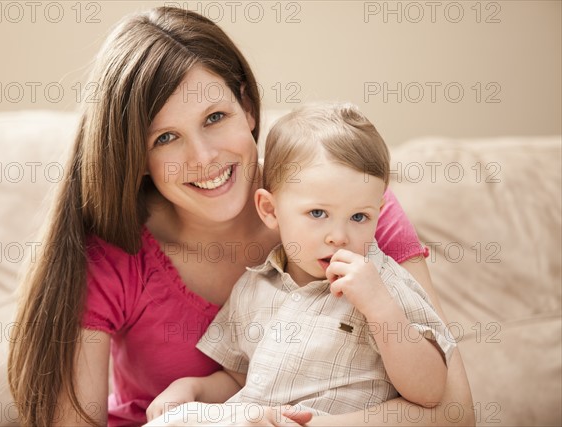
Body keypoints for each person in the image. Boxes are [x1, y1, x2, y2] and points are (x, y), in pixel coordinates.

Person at [7, 6, 474, 427]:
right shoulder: (115, 254)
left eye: (214, 117)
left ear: (247, 106)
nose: (204, 157)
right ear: (135, 155)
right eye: (165, 138)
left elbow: (454, 412)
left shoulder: (350, 212)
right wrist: (192, 400)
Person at [145, 103, 456, 422]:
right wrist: (191, 390)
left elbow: (430, 392)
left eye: (359, 217)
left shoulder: (384, 284)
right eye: (318, 214)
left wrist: (380, 310)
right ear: (269, 210)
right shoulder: (254, 288)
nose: (339, 236)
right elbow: (239, 380)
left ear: (378, 211)